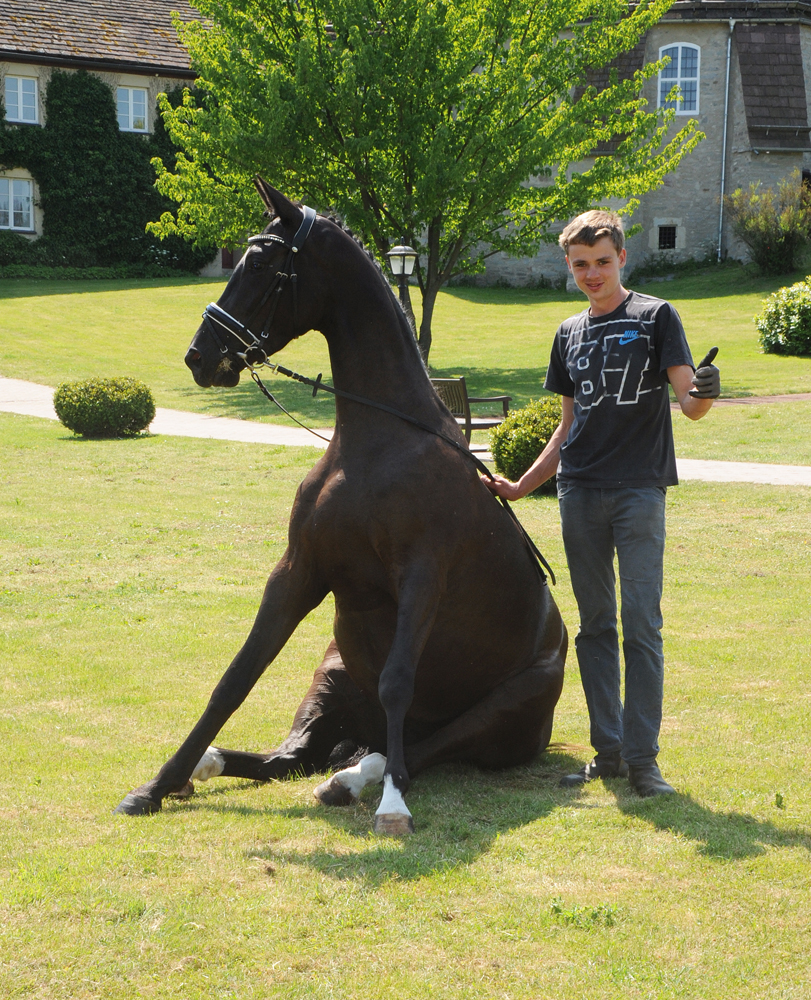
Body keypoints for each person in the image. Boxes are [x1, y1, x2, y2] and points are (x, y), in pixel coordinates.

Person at [484, 210, 720, 798]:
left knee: (642, 626)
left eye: (603, 262)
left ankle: (644, 761)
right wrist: (522, 484)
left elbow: (688, 403)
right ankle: (608, 754)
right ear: (569, 265)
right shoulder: (568, 333)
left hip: (639, 490)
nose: (593, 273)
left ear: (622, 260)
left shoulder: (655, 316)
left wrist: (707, 392)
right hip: (580, 492)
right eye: (582, 264)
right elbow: (567, 427)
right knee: (595, 628)